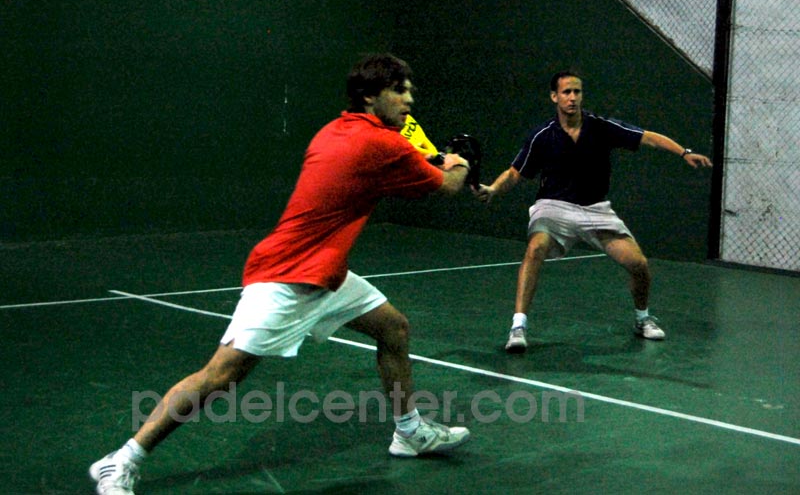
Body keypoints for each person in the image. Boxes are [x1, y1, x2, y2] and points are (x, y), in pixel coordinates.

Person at [89, 53, 473, 494]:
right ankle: (121, 460)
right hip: (289, 276)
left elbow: (397, 175)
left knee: (393, 328)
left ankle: (410, 432)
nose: (409, 99)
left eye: (409, 90)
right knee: (221, 376)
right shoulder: (382, 144)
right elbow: (446, 185)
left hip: (327, 271)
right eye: (399, 90)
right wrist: (461, 163)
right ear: (370, 96)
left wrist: (438, 162)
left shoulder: (336, 130)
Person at [475, 71, 712, 353]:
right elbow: (515, 173)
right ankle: (518, 327)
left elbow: (648, 138)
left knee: (638, 264)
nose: (572, 97)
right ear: (554, 97)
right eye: (566, 92)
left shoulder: (601, 127)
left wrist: (684, 152)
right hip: (553, 206)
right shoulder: (542, 135)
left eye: (577, 92)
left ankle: (642, 319)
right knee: (535, 248)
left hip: (596, 209)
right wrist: (493, 189)